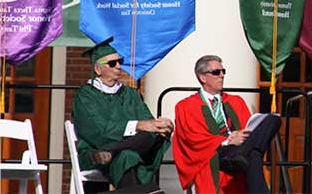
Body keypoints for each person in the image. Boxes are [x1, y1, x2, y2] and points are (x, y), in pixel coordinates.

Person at [72, 37, 172, 193]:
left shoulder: (130, 94)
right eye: (112, 63)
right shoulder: (85, 95)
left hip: (118, 151)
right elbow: (98, 131)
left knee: (149, 137)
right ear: (98, 69)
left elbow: (148, 123)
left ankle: (113, 151)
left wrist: (160, 125)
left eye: (120, 61)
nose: (118, 66)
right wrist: (137, 125)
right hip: (95, 151)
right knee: (127, 156)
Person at [172, 55, 282, 193]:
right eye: (217, 72)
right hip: (217, 151)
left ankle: (242, 153)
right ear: (203, 78)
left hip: (241, 148)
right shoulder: (185, 106)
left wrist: (245, 135)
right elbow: (192, 138)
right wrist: (228, 140)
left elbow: (247, 128)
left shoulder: (236, 101)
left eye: (223, 71)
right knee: (253, 154)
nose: (222, 75)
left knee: (273, 120)